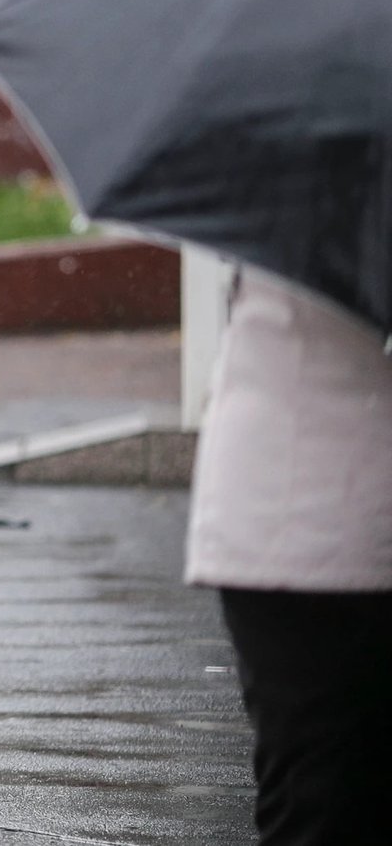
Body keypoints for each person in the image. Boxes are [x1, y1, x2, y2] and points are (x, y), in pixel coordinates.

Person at [186, 271, 392, 844]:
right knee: (327, 788)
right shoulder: (354, 235)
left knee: (313, 781)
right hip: (325, 515)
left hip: (262, 506)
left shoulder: (278, 233)